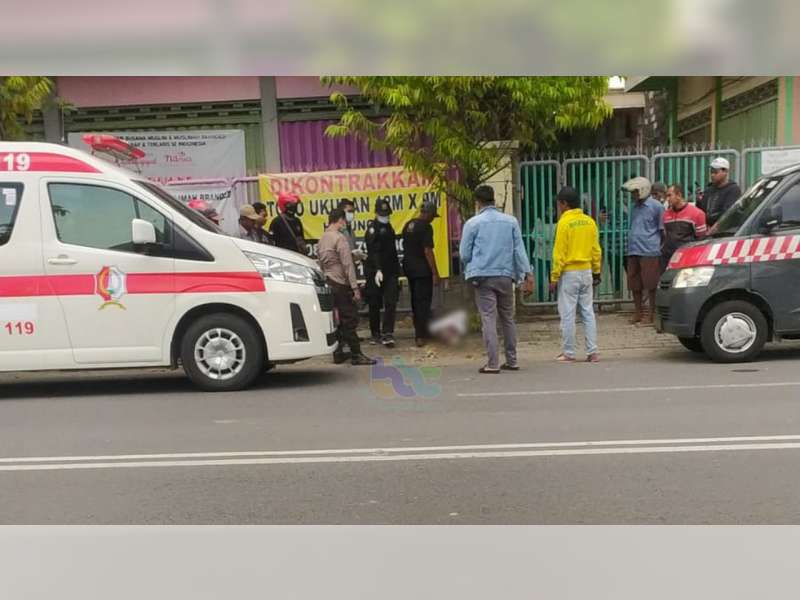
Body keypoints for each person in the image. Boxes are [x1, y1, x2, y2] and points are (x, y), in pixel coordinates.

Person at [460, 185, 534, 374]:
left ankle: (492, 363)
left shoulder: (472, 224)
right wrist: (527, 273)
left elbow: (464, 254)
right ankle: (512, 360)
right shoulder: (510, 221)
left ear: (478, 202)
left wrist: (474, 264)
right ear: (493, 199)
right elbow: (519, 250)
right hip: (505, 276)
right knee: (507, 318)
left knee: (488, 318)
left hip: (483, 277)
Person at [549, 186, 602, 363]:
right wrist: (596, 271)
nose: (558, 208)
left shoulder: (564, 223)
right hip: (586, 271)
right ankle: (593, 352)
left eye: (559, 204)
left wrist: (554, 277)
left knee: (568, 314)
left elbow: (559, 252)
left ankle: (569, 353)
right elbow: (596, 250)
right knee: (588, 312)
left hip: (569, 273)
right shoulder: (589, 222)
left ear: (564, 204)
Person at [317, 208, 375, 366]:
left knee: (335, 320)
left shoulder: (322, 238)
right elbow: (347, 265)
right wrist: (355, 288)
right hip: (341, 283)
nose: (345, 223)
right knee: (349, 318)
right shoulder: (339, 238)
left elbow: (322, 263)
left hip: (329, 281)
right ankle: (356, 354)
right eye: (344, 220)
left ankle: (338, 352)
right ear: (340, 220)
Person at [622, 176, 664, 326]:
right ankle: (638, 312)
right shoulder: (634, 207)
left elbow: (662, 230)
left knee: (650, 284)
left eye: (635, 192)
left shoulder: (657, 207)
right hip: (634, 249)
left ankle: (651, 315)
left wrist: (658, 246)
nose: (633, 195)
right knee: (634, 283)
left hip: (649, 250)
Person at [402, 200, 441, 347]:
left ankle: (421, 331)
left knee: (415, 301)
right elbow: (427, 251)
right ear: (428, 214)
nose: (432, 219)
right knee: (423, 303)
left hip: (409, 268)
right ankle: (420, 335)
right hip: (422, 270)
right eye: (432, 216)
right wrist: (435, 273)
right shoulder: (426, 227)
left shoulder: (408, 225)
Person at [364, 198, 400, 347]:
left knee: (391, 301)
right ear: (377, 213)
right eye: (382, 214)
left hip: (390, 270)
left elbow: (391, 251)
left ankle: (387, 332)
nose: (385, 216)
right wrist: (378, 269)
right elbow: (374, 251)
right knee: (374, 303)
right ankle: (375, 333)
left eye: (386, 214)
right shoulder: (372, 229)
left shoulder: (389, 226)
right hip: (375, 271)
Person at [661, 183, 707, 271]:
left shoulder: (697, 214)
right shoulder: (666, 215)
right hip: (668, 258)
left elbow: (701, 239)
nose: (667, 199)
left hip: (687, 258)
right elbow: (666, 235)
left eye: (670, 195)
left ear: (679, 195)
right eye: (666, 196)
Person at [699, 157, 741, 231]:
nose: (712, 175)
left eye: (716, 172)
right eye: (711, 172)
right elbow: (702, 210)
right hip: (708, 228)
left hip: (725, 230)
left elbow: (727, 213)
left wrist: (714, 226)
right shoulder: (709, 189)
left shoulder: (733, 189)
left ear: (725, 172)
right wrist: (699, 201)